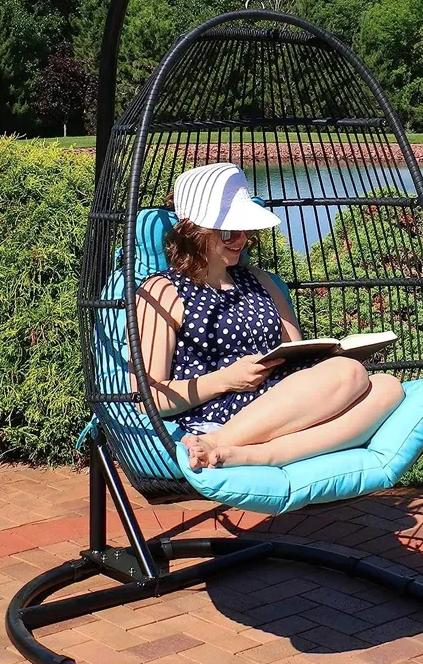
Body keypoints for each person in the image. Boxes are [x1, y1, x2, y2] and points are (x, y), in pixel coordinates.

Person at [132, 162, 404, 471]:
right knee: (349, 374)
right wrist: (226, 380)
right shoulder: (162, 291)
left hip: (278, 402)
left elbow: (296, 354)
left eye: (246, 230)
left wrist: (330, 353)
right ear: (194, 233)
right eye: (229, 232)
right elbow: (146, 396)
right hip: (221, 409)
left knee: (388, 387)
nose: (241, 240)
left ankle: (248, 454)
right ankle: (216, 441)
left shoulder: (261, 281)